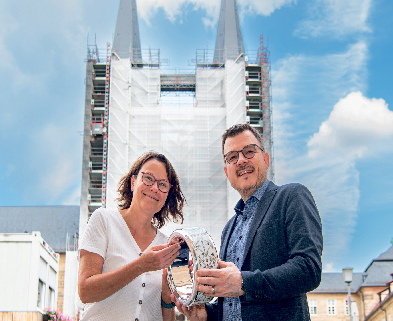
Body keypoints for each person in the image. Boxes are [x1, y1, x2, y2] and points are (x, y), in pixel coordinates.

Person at [173, 124, 323, 321]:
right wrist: (206, 315)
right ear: (227, 172)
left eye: (249, 151)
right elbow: (231, 302)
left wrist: (244, 283)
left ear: (266, 159)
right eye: (232, 157)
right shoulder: (229, 228)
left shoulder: (291, 196)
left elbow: (308, 269)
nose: (241, 160)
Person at [78, 151, 186, 320]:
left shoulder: (167, 245)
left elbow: (167, 316)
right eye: (148, 178)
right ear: (133, 182)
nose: (155, 188)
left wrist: (166, 299)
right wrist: (140, 265)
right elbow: (85, 291)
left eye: (163, 184)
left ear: (167, 195)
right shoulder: (104, 220)